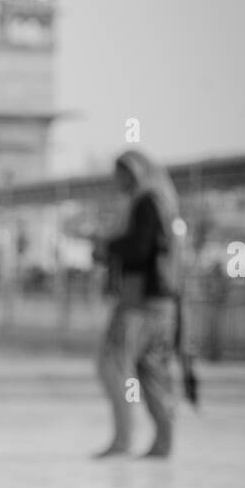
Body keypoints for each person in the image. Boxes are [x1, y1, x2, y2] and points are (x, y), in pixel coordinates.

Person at [93, 149, 183, 458]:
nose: (117, 182)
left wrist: (107, 246)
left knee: (113, 365)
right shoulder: (163, 202)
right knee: (150, 370)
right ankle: (163, 441)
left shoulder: (146, 203)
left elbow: (139, 249)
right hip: (162, 304)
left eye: (122, 175)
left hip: (140, 302)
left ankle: (123, 439)